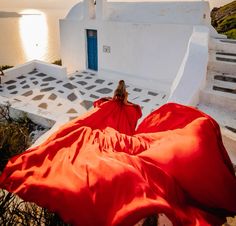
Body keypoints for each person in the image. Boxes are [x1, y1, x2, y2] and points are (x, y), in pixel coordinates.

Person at [0, 81, 236, 226]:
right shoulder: (126, 108)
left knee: (89, 138)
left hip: (126, 145)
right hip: (128, 144)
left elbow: (104, 112)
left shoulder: (110, 105)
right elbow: (132, 113)